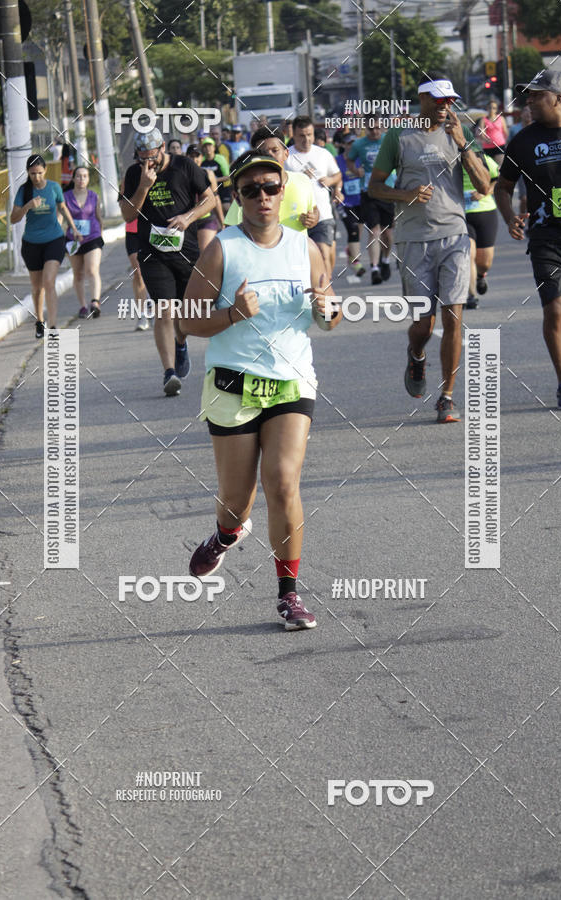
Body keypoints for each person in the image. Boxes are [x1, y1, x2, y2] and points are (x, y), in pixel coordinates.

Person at [179, 150, 342, 629]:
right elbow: (187, 322)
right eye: (252, 190)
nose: (264, 197)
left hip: (292, 381)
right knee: (236, 502)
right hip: (233, 386)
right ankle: (227, 534)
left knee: (283, 482)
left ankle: (288, 596)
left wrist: (327, 310)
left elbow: (329, 316)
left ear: (284, 189)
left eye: (272, 187)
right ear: (238, 196)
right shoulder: (222, 249)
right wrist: (232, 314)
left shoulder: (305, 247)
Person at [368, 74, 490, 423]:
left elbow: (483, 186)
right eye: (438, 101)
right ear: (421, 100)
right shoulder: (398, 137)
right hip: (412, 239)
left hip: (453, 235)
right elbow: (375, 187)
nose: (445, 107)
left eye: (449, 101)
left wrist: (461, 143)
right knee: (423, 324)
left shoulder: (459, 133)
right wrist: (405, 195)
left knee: (454, 317)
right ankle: (416, 354)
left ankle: (447, 396)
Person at [495, 71, 561, 409]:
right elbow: (503, 187)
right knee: (556, 309)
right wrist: (510, 216)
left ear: (557, 97)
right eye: (527, 96)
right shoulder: (523, 141)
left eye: (535, 96)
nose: (528, 102)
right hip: (547, 238)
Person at [119, 127, 216, 395]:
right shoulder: (134, 174)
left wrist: (188, 217)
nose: (149, 164)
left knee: (188, 312)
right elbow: (128, 214)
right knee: (164, 310)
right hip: (152, 253)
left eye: (153, 157)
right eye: (143, 159)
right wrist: (143, 186)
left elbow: (210, 199)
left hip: (186, 251)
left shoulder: (184, 166)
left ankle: (180, 343)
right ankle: (169, 373)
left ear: (163, 148)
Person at [10, 154, 83, 338]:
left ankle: (52, 326)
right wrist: (28, 205)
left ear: (45, 171)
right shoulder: (23, 191)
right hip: (31, 244)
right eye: (33, 174)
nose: (37, 177)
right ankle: (39, 321)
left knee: (49, 282)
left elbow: (63, 207)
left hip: (54, 240)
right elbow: (13, 218)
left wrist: (73, 228)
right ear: (28, 173)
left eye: (40, 173)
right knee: (37, 287)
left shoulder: (53, 187)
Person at [224, 126, 318, 233]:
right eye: (264, 152)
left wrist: (313, 218)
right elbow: (230, 228)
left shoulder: (303, 180)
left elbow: (314, 209)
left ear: (286, 153)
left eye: (275, 150)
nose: (270, 155)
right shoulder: (249, 190)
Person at [286, 115, 341, 280]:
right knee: (301, 261)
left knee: (324, 254)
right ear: (294, 135)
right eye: (301, 135)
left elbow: (337, 174)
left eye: (309, 134)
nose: (306, 139)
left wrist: (331, 181)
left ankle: (325, 290)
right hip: (295, 218)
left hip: (322, 214)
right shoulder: (287, 158)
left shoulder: (323, 154)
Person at [348, 118, 395, 283]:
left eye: (377, 128)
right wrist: (355, 170)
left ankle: (385, 260)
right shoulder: (359, 144)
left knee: (387, 232)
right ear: (366, 129)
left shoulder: (390, 140)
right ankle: (374, 268)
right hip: (368, 191)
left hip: (388, 190)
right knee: (374, 230)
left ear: (382, 127)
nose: (374, 131)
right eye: (370, 129)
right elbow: (349, 158)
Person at [63, 166, 104, 318]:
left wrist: (100, 234)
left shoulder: (94, 196)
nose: (82, 179)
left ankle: (95, 302)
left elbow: (99, 217)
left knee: (92, 270)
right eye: (79, 176)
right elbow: (60, 219)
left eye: (85, 176)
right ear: (73, 178)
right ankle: (82, 306)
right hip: (73, 240)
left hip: (92, 237)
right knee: (78, 274)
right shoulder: (65, 197)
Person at [463, 153, 500, 309]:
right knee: (469, 254)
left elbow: (498, 180)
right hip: (460, 214)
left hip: (485, 212)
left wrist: (484, 192)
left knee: (484, 262)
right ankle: (471, 296)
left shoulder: (485, 159)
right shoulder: (448, 160)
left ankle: (480, 275)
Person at [185, 144, 225, 250]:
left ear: (201, 157)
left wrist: (222, 222)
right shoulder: (181, 175)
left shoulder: (208, 174)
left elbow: (216, 198)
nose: (194, 159)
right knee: (190, 257)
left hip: (207, 219)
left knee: (204, 253)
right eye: (191, 156)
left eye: (197, 156)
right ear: (186, 157)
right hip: (188, 221)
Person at [336, 134, 365, 277]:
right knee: (352, 229)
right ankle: (356, 263)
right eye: (348, 144)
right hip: (344, 202)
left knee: (358, 232)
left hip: (360, 200)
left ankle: (351, 252)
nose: (351, 146)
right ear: (343, 145)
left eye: (354, 143)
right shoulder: (337, 161)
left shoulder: (360, 159)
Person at [200, 136, 232, 213]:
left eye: (210, 146)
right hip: (209, 190)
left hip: (223, 188)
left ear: (214, 148)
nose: (208, 148)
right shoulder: (201, 160)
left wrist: (214, 180)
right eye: (205, 146)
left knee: (226, 208)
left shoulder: (220, 158)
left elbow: (228, 176)